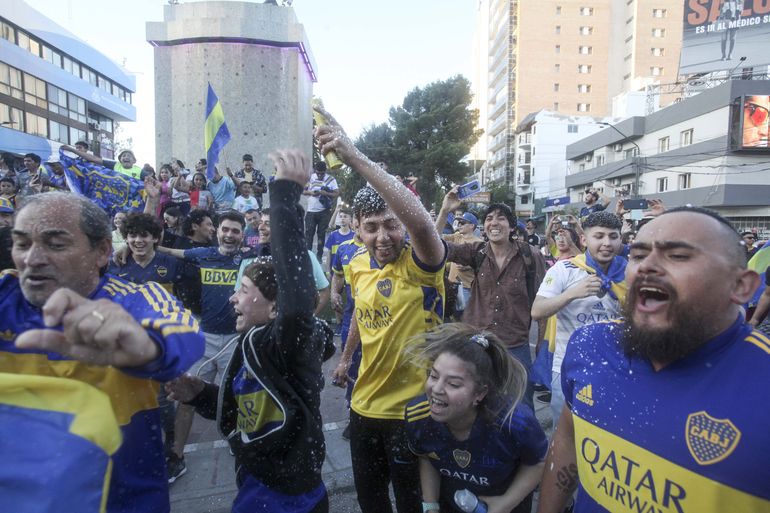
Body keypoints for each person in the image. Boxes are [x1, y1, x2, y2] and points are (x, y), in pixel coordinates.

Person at [537, 206, 770, 513]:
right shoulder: (590, 346)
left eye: (678, 256)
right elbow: (567, 440)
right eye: (639, 254)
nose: (648, 266)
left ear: (742, 286)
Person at [1, 191, 204, 513]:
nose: (32, 258)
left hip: (123, 501)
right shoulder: (4, 296)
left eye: (56, 244)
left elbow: (187, 333)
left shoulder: (137, 298)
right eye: (22, 243)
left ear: (102, 251)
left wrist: (148, 349)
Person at [166, 149, 333, 513]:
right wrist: (199, 394)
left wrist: (285, 195)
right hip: (255, 479)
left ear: (276, 307)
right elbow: (239, 412)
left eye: (243, 291)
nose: (232, 300)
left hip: (290, 495)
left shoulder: (286, 342)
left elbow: (295, 285)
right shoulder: (250, 343)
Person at [318, 107, 446, 513]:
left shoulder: (421, 260)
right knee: (371, 502)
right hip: (363, 406)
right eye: (371, 226)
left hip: (415, 409)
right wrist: (346, 358)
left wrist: (353, 156)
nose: (383, 236)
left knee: (412, 504)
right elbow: (360, 311)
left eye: (391, 223)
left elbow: (423, 226)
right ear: (356, 227)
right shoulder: (356, 263)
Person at [404, 324, 547, 513]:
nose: (436, 389)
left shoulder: (515, 422)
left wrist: (506, 503)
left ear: (480, 393)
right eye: (433, 375)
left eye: (453, 384)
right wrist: (430, 505)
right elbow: (426, 456)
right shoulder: (418, 415)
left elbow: (538, 462)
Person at [437, 189, 546, 408]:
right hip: (479, 343)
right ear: (484, 227)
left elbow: (542, 303)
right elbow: (434, 245)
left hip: (515, 346)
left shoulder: (530, 255)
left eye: (501, 218)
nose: (494, 223)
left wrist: (541, 345)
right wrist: (444, 211)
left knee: (521, 407)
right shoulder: (476, 251)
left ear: (512, 227)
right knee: (477, 405)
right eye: (489, 219)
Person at [531, 211, 626, 428]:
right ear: (584, 239)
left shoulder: (630, 273)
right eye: (599, 236)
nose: (606, 243)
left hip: (613, 368)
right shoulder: (564, 269)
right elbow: (537, 311)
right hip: (567, 367)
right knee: (563, 432)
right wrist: (571, 294)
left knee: (607, 431)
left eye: (613, 236)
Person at [303, 161, 339, 259]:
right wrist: (311, 192)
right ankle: (308, 257)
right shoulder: (310, 177)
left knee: (321, 235)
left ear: (325, 171)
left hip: (324, 212)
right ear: (315, 170)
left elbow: (336, 193)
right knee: (308, 234)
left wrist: (325, 193)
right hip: (311, 211)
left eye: (322, 173)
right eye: (318, 172)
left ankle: (319, 257)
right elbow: (302, 191)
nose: (319, 175)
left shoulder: (331, 179)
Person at [62, 145, 143, 179]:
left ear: (134, 161)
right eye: (123, 156)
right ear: (120, 160)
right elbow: (94, 159)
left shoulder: (140, 171)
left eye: (129, 156)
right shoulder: (115, 165)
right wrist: (72, 150)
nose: (126, 157)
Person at [323, 206, 354, 273]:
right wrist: (328, 271)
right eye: (341, 217)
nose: (342, 219)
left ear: (350, 219)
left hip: (350, 272)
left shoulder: (354, 236)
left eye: (345, 217)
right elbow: (328, 254)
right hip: (335, 271)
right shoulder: (333, 235)